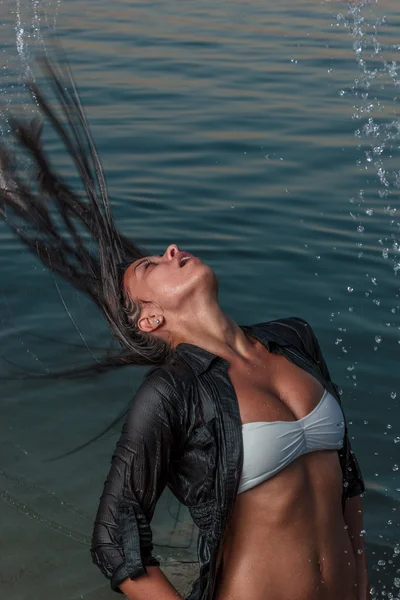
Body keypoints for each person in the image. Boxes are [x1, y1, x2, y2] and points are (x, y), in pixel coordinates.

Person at [0, 55, 368, 600]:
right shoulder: (173, 392)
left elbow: (347, 478)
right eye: (151, 266)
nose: (170, 249)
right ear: (151, 318)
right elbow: (113, 538)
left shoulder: (294, 338)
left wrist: (361, 582)